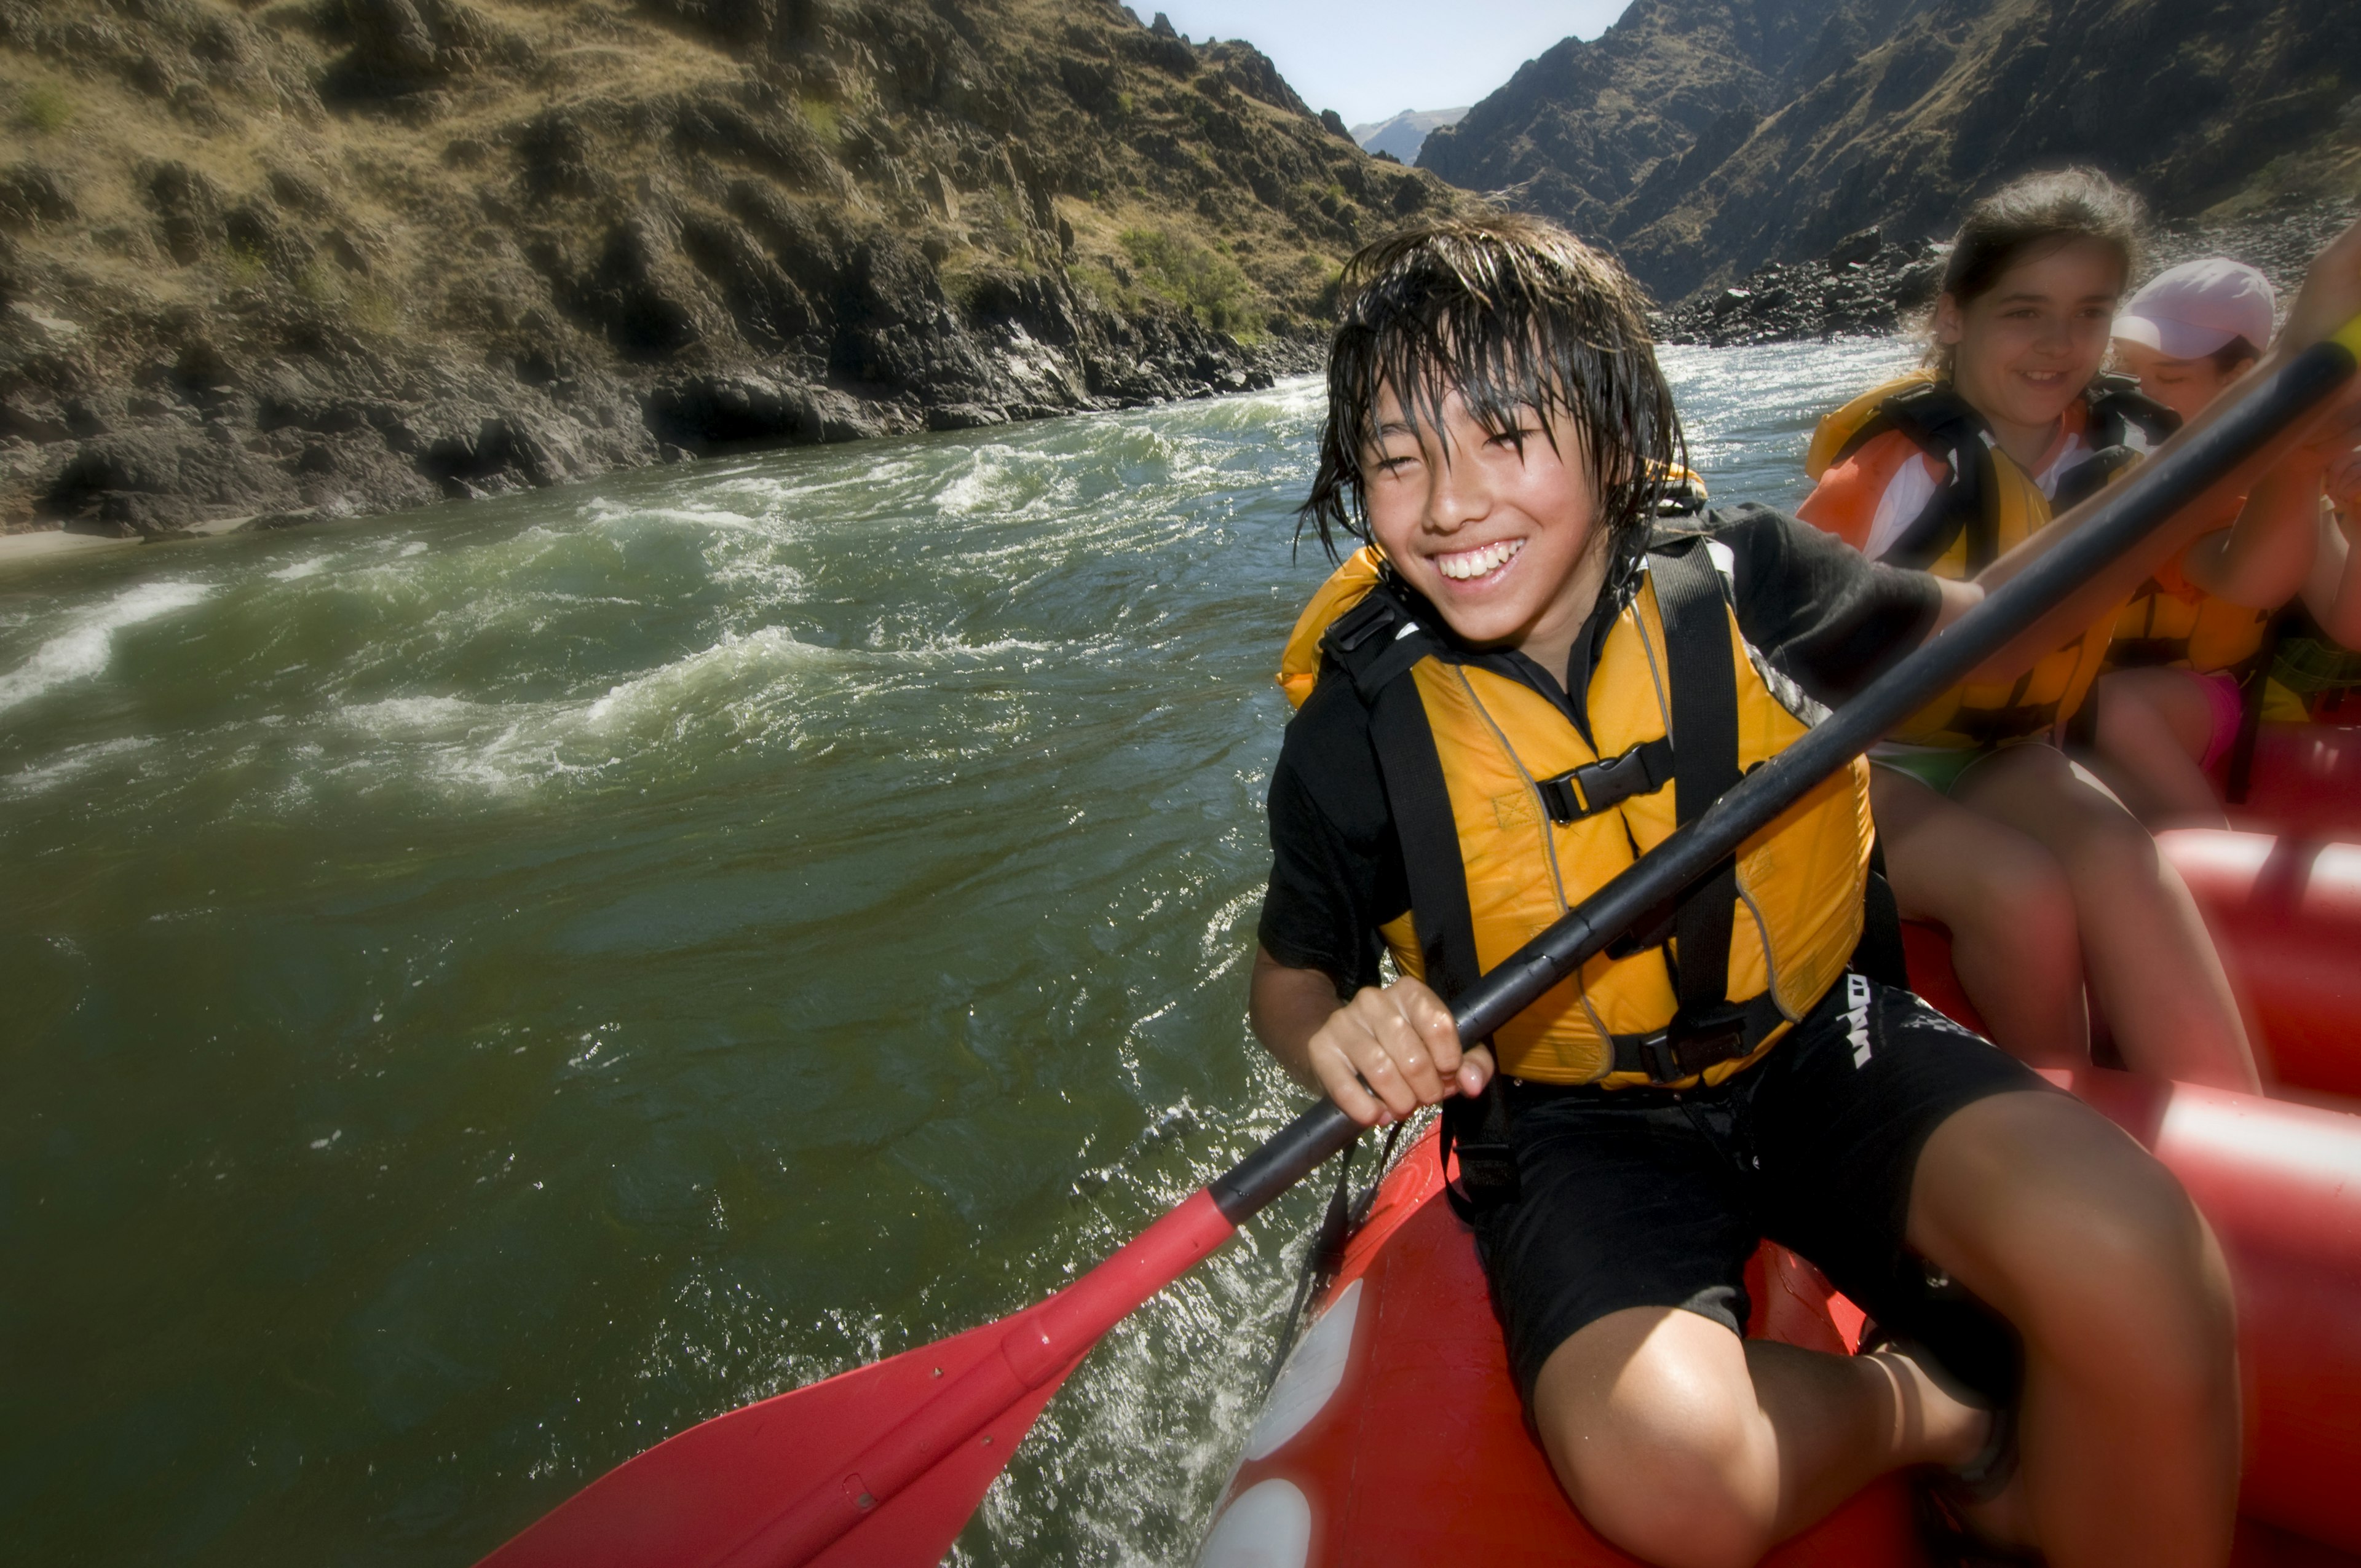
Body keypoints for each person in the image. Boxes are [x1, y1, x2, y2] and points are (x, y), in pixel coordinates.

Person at [1249, 209, 2360, 1568]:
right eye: (1397, 458)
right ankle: (1936, 1408)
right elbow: (1292, 977)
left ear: (1612, 433)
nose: (1449, 504)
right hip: (1576, 1122)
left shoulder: (1751, 577)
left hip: (1816, 1039)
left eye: (1503, 435)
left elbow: (2013, 621)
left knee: (2136, 1241)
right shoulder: (1354, 734)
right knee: (1670, 1476)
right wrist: (1336, 1032)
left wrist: (2279, 408)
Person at [1797, 170, 2256, 1089]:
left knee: (2121, 852)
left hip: (2005, 744)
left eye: (2089, 313)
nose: (2059, 345)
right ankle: (2064, 1122)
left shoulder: (2110, 450)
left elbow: (2244, 583)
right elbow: (1772, 649)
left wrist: (2301, 448)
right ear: (1955, 315)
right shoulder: (1886, 475)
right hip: (1861, 765)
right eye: (2025, 313)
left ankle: (2237, 1139)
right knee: (2024, 893)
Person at [2093, 260, 2361, 820]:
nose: (2143, 395)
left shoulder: (2284, 481)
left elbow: (2349, 624)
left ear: (2239, 377)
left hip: (2194, 702)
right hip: (2097, 708)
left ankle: (2211, 847)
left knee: (2114, 706)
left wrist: (2357, 521)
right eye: (2132, 372)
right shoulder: (2118, 457)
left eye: (2169, 377)